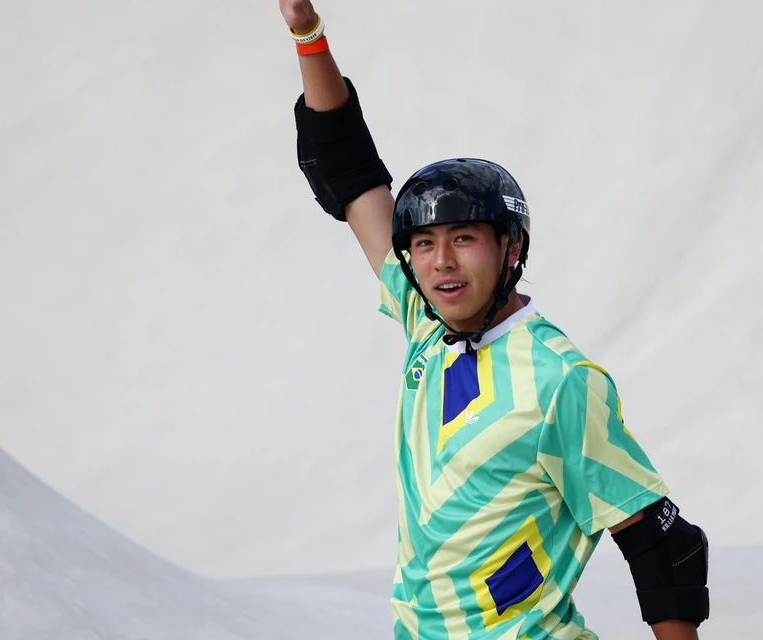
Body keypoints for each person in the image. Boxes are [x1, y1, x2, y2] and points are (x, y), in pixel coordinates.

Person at [277, 2, 710, 639]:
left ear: (512, 249)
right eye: (423, 243)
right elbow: (349, 169)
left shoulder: (561, 381)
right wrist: (306, 33)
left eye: (464, 239)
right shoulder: (427, 321)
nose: (441, 262)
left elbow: (659, 545)